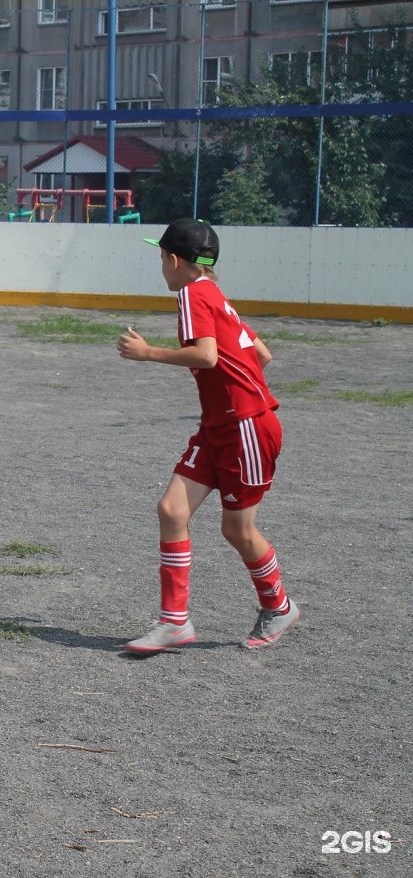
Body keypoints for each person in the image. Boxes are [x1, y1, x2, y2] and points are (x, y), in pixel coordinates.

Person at [117, 218, 299, 655]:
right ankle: (174, 621)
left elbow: (207, 355)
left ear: (175, 261)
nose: (161, 267)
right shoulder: (214, 294)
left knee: (238, 529)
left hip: (245, 428)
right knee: (171, 509)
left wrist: (147, 353)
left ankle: (280, 606)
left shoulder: (191, 294)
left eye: (161, 258)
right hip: (223, 424)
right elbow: (263, 354)